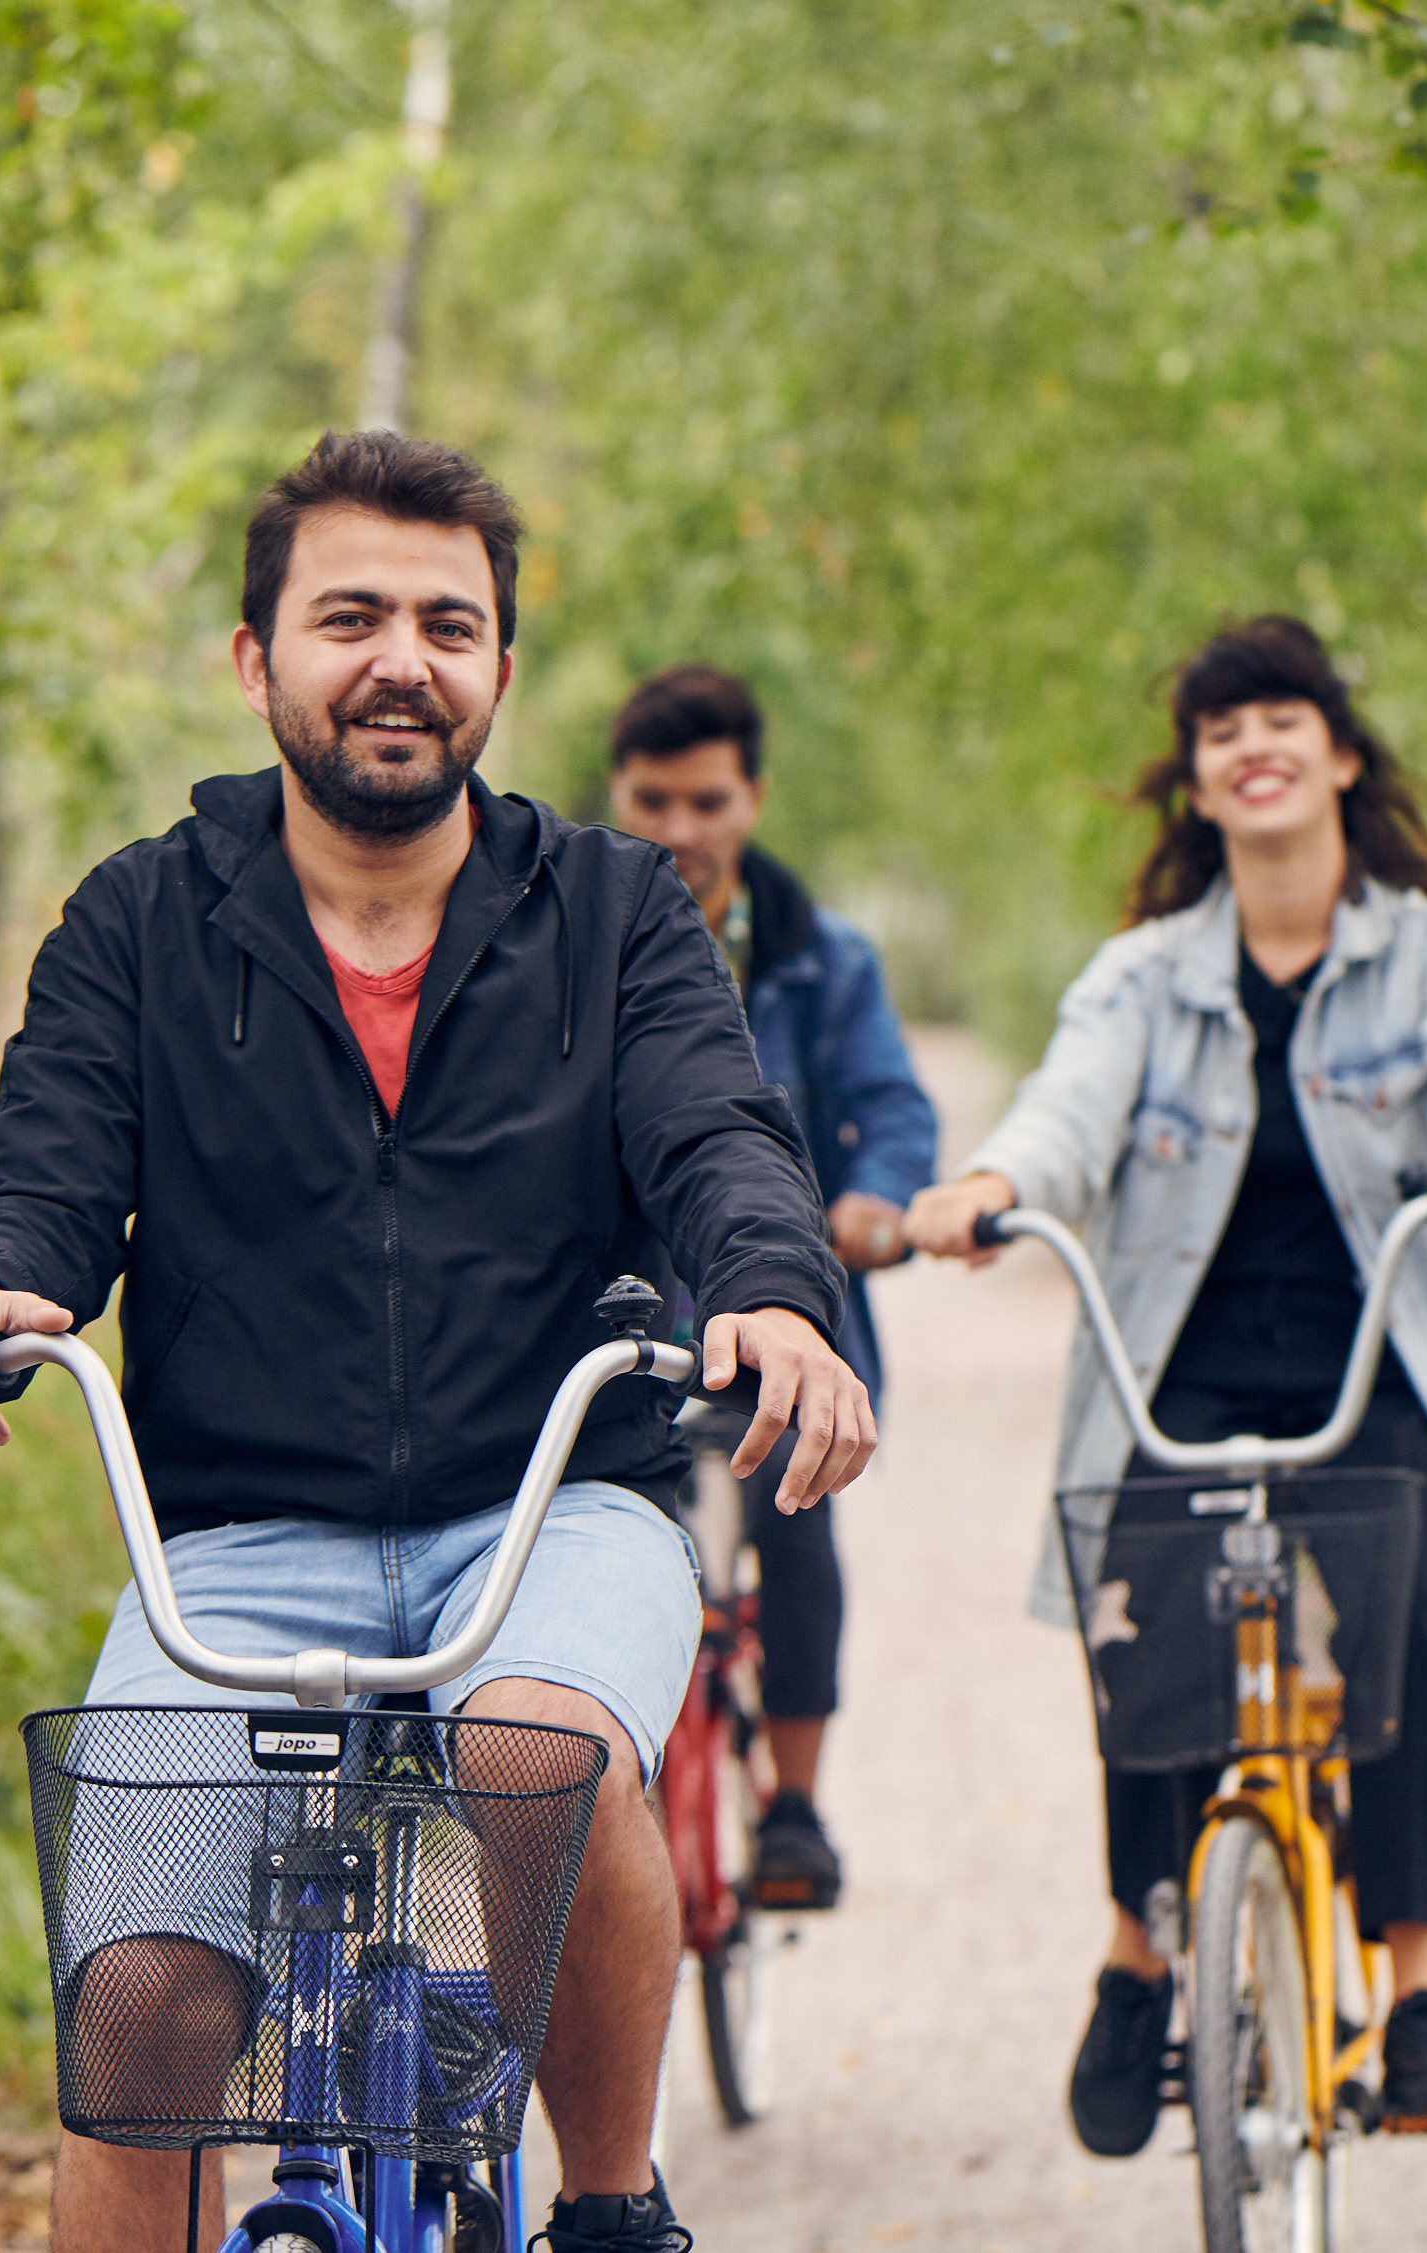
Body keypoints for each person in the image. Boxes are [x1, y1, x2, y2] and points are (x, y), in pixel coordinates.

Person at [0, 432, 876, 2253]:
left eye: (446, 625)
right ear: (257, 661)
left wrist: (777, 1294)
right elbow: (45, 1181)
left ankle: (612, 2202)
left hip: (552, 1508)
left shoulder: (618, 909)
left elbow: (721, 1136)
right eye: (350, 618)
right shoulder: (141, 920)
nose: (401, 660)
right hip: (241, 1540)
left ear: (499, 669)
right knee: (141, 1995)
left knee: (536, 1749)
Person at [901, 615, 1427, 2154]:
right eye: (1222, 731)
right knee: (1148, 1642)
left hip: (1383, 1371)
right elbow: (1069, 1104)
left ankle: (1420, 2001)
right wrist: (996, 1182)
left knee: (1409, 1636)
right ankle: (1140, 1957)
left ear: (1340, 756)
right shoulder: (1146, 975)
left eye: (1282, 718)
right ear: (1199, 783)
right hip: (1187, 1379)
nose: (1254, 746)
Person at [604, 664, 938, 1910]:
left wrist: (876, 1200)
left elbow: (892, 1107)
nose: (680, 829)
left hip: (778, 1319)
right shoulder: (570, 935)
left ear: (752, 798)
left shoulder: (822, 960)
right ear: (616, 794)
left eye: (707, 802)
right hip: (623, 1321)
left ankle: (793, 1806)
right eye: (653, 802)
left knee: (796, 1513)